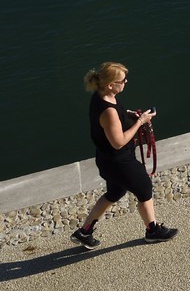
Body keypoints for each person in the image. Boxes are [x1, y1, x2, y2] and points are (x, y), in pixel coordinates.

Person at [70, 61, 178, 249]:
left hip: (106, 160)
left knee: (114, 192)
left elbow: (115, 118)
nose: (126, 82)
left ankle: (85, 232)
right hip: (119, 161)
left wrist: (129, 115)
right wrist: (141, 122)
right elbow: (118, 141)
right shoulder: (109, 111)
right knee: (144, 188)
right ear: (110, 84)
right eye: (122, 80)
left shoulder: (102, 96)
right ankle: (152, 231)